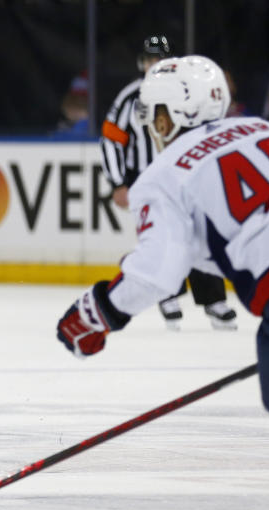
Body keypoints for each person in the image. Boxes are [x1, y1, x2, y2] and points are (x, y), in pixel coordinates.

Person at [57, 55, 269, 414]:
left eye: (157, 114)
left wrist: (95, 313)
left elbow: (157, 272)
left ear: (172, 115)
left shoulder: (164, 175)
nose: (155, 126)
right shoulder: (261, 129)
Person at [99, 35, 237, 331]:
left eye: (159, 59)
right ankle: (169, 295)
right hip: (149, 178)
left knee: (202, 231)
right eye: (149, 60)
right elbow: (111, 139)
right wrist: (117, 181)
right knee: (162, 235)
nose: (154, 65)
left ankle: (213, 298)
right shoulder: (131, 96)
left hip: (188, 175)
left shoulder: (188, 91)